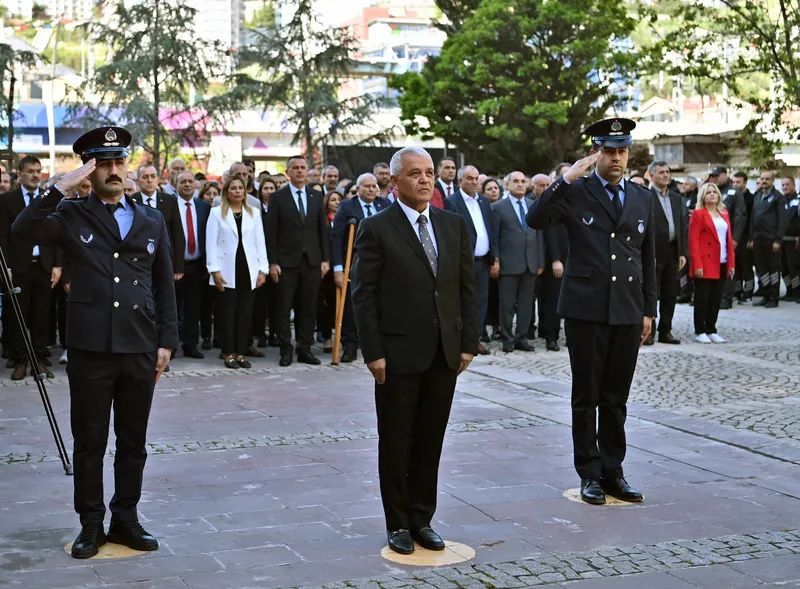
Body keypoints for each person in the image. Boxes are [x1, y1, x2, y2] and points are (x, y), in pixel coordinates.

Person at [11, 126, 178, 558]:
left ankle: (126, 518)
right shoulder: (70, 214)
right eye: (104, 163)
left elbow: (163, 285)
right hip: (90, 348)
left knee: (133, 440)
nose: (114, 170)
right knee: (89, 441)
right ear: (89, 169)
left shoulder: (152, 218)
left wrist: (166, 341)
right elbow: (20, 231)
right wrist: (58, 187)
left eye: (119, 161)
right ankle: (90, 523)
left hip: (139, 345)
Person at [351, 146, 477, 555]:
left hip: (444, 352)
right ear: (394, 181)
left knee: (430, 440)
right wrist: (373, 352)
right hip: (397, 353)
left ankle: (423, 518)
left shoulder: (453, 225)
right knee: (397, 439)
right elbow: (363, 295)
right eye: (414, 174)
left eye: (428, 173)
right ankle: (398, 523)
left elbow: (466, 289)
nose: (425, 179)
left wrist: (468, 342)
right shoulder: (378, 228)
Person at [527, 118, 656, 506]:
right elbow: (536, 219)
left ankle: (614, 471)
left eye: (622, 150)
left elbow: (647, 258)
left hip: (628, 309)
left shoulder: (641, 197)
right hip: (586, 307)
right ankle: (589, 473)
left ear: (628, 153)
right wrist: (566, 178)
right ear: (596, 152)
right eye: (608, 150)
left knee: (617, 396)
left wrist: (649, 310)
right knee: (587, 395)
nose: (616, 158)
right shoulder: (576, 191)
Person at [0, 155, 62, 380]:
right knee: (18, 316)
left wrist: (57, 264)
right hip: (18, 267)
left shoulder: (48, 199)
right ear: (20, 174)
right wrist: (5, 266)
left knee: (41, 315)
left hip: (44, 266)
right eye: (31, 171)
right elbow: (2, 237)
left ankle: (38, 360)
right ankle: (20, 361)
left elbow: (56, 234)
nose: (36, 175)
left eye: (38, 170)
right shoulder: (7, 200)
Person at [266, 155, 330, 366]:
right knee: (284, 307)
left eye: (303, 167)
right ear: (288, 172)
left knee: (308, 307)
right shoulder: (278, 197)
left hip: (311, 261)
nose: (300, 171)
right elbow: (271, 233)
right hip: (286, 262)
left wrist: (325, 259)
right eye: (295, 168)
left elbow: (322, 229)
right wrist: (272, 262)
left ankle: (305, 348)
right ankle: (286, 350)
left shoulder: (314, 196)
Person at [206, 176, 269, 368]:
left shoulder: (254, 213)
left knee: (245, 313)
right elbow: (211, 243)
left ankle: (241, 352)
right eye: (232, 188)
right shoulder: (217, 213)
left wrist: (263, 270)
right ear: (227, 192)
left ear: (245, 191)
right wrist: (214, 270)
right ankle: (227, 352)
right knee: (227, 313)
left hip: (248, 269)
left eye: (240, 188)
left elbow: (260, 242)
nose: (237, 191)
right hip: (226, 269)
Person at [332, 174, 391, 363]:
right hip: (357, 261)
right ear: (358, 189)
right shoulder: (347, 206)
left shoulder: (385, 204)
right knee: (352, 305)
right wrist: (339, 268)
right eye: (367, 186)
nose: (372, 189)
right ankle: (350, 345)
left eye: (374, 186)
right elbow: (337, 237)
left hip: (383, 263)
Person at [492, 171, 545, 353]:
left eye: (523, 181)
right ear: (507, 185)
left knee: (526, 305)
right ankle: (507, 339)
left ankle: (522, 338)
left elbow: (538, 234)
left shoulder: (533, 205)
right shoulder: (499, 207)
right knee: (506, 305)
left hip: (530, 263)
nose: (520, 184)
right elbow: (495, 236)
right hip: (508, 264)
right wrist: (496, 260)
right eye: (516, 181)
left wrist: (540, 262)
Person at [444, 166, 493, 356]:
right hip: (463, 262)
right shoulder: (452, 202)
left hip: (483, 261)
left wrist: (493, 256)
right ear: (460, 181)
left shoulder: (483, 202)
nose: (474, 182)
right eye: (469, 179)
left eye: (476, 179)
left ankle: (476, 338)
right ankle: (461, 339)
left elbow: (489, 230)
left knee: (481, 302)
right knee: (463, 301)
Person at [646, 161, 687, 345]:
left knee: (670, 294)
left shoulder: (676, 198)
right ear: (652, 175)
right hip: (654, 253)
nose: (665, 175)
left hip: (672, 252)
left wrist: (682, 253)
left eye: (668, 172)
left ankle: (666, 331)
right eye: (661, 172)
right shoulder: (646, 197)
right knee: (652, 294)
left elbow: (681, 226)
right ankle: (650, 333)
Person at [689, 183, 736, 343]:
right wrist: (697, 265)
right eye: (708, 192)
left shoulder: (724, 213)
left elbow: (728, 239)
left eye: (714, 191)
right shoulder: (698, 214)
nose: (712, 194)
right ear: (702, 196)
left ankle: (711, 328)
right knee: (703, 298)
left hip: (722, 260)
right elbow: (693, 241)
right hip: (705, 261)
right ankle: (700, 329)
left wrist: (731, 263)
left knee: (716, 297)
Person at [173, 170, 211, 359]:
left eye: (190, 181)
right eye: (183, 182)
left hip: (197, 266)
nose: (187, 184)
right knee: (172, 308)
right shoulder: (169, 205)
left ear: (196, 184)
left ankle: (190, 345)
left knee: (193, 308)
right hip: (174, 267)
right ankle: (170, 346)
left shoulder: (203, 206)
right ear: (176, 185)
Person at [749, 171, 788, 307]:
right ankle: (765, 294)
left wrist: (778, 240)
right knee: (761, 268)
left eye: (767, 179)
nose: (764, 181)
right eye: (762, 178)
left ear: (773, 181)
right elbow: (753, 217)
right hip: (758, 238)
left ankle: (774, 296)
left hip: (771, 239)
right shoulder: (758, 195)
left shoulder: (778, 197)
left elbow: (783, 220)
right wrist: (751, 237)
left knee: (774, 268)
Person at [710, 167, 746, 309]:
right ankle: (715, 297)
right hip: (713, 238)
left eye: (717, 175)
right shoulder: (714, 191)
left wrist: (735, 238)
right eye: (713, 176)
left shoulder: (733, 193)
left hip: (727, 237)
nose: (715, 178)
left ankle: (726, 298)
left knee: (728, 267)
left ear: (725, 175)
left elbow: (740, 217)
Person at [252, 177, 280, 348]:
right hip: (258, 258)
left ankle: (275, 333)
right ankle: (260, 333)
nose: (269, 191)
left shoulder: (279, 206)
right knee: (260, 301)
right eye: (266, 188)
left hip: (276, 258)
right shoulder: (256, 208)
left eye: (272, 188)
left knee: (276, 300)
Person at [317, 190, 342, 353]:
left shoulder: (344, 220)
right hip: (324, 268)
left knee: (337, 304)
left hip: (339, 266)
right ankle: (326, 337)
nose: (337, 202)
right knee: (325, 305)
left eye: (339, 199)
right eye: (333, 200)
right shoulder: (323, 220)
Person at [731, 172, 755, 302]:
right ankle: (737, 291)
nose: (735, 185)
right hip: (735, 236)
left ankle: (748, 292)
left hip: (745, 236)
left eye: (738, 182)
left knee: (746, 266)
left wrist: (751, 238)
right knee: (736, 266)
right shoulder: (732, 197)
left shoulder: (751, 198)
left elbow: (752, 219)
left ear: (745, 183)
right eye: (734, 182)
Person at [780, 176, 799, 301]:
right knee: (784, 267)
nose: (785, 187)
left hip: (794, 240)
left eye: (787, 184)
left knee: (795, 268)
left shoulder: (798, 200)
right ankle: (789, 290)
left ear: (794, 186)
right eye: (783, 185)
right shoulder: (781, 201)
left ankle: (798, 292)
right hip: (781, 239)